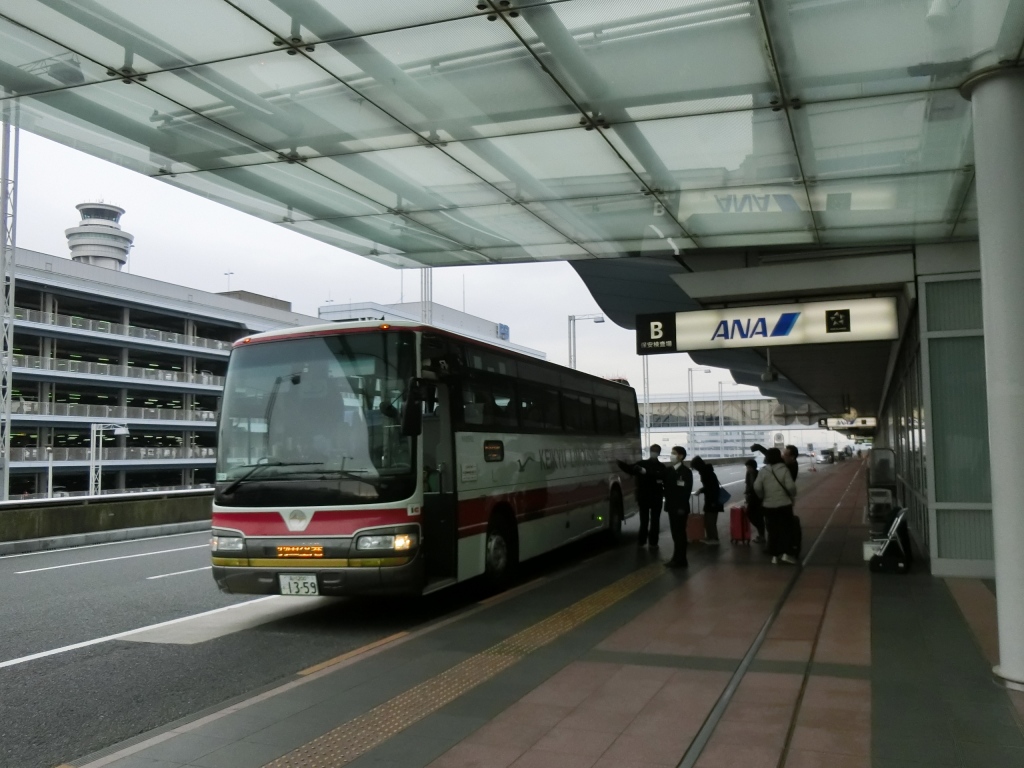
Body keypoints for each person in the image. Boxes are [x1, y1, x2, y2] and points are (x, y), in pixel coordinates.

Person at [754, 447, 798, 564]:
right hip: (784, 505)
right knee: (786, 529)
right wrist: (792, 495)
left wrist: (762, 496)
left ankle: (774, 555)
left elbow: (757, 487)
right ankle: (786, 554)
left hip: (768, 506)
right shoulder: (784, 470)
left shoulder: (763, 471)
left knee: (773, 530)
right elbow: (791, 487)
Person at [617, 445, 665, 548]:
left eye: (655, 451)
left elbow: (661, 476)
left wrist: (645, 472)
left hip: (646, 497)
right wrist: (619, 463)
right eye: (653, 450)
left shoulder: (644, 465)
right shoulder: (658, 466)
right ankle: (652, 542)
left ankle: (643, 541)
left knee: (646, 520)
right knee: (651, 520)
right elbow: (630, 469)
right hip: (654, 497)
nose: (654, 452)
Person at [662, 446, 693, 568]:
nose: (671, 455)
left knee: (680, 534)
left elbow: (686, 491)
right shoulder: (669, 470)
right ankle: (677, 558)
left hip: (680, 508)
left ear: (681, 456)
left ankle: (681, 560)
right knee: (675, 534)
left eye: (674, 453)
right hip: (671, 507)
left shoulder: (686, 472)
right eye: (671, 452)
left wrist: (681, 506)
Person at [690, 456, 722, 546]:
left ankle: (714, 538)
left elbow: (710, 487)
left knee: (710, 520)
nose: (695, 469)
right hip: (713, 499)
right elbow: (710, 486)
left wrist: (702, 491)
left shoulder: (706, 473)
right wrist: (701, 490)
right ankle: (710, 537)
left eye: (695, 467)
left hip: (712, 500)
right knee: (709, 519)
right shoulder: (707, 471)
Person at [744, 458, 766, 544]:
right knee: (750, 515)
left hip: (758, 499)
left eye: (749, 467)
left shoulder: (758, 474)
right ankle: (761, 534)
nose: (748, 469)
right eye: (747, 467)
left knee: (759, 517)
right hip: (751, 498)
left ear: (754, 467)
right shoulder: (748, 474)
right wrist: (746, 494)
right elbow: (747, 484)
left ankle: (762, 536)